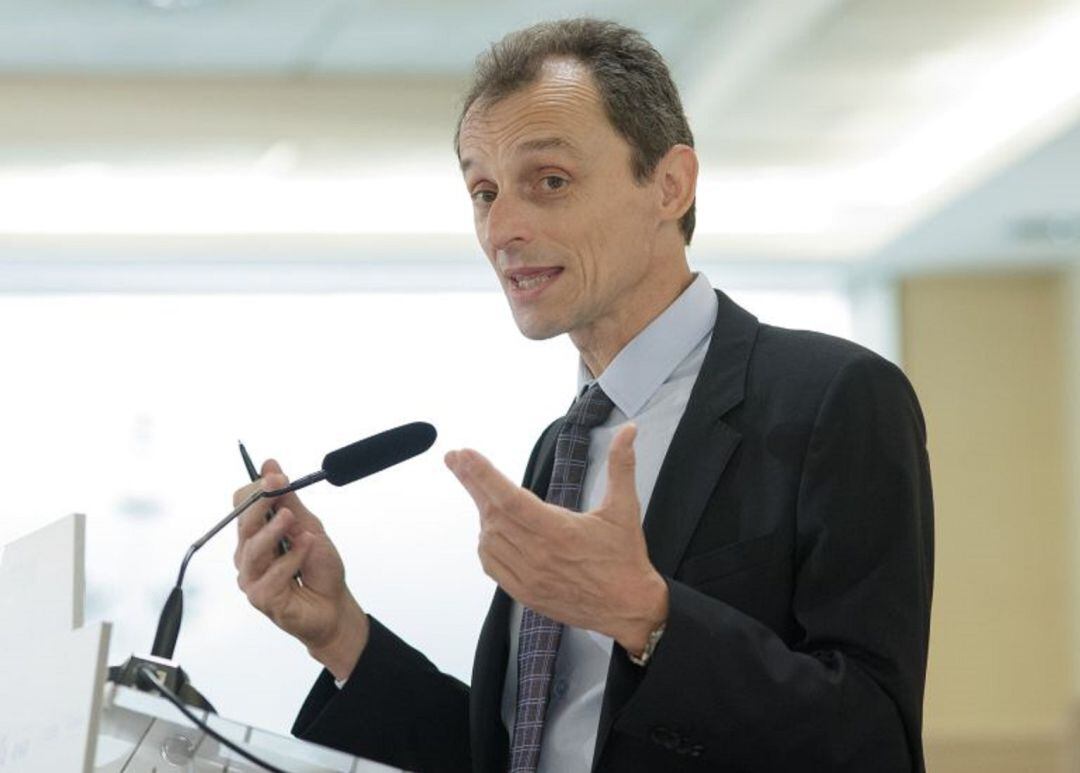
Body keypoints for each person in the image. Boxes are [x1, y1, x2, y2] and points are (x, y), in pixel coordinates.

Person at [232, 18, 933, 773]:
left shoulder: (835, 398)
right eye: (483, 191)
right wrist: (339, 632)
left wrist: (649, 617)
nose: (502, 228)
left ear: (670, 185)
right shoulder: (560, 446)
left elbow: (873, 740)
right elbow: (517, 753)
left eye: (551, 182)